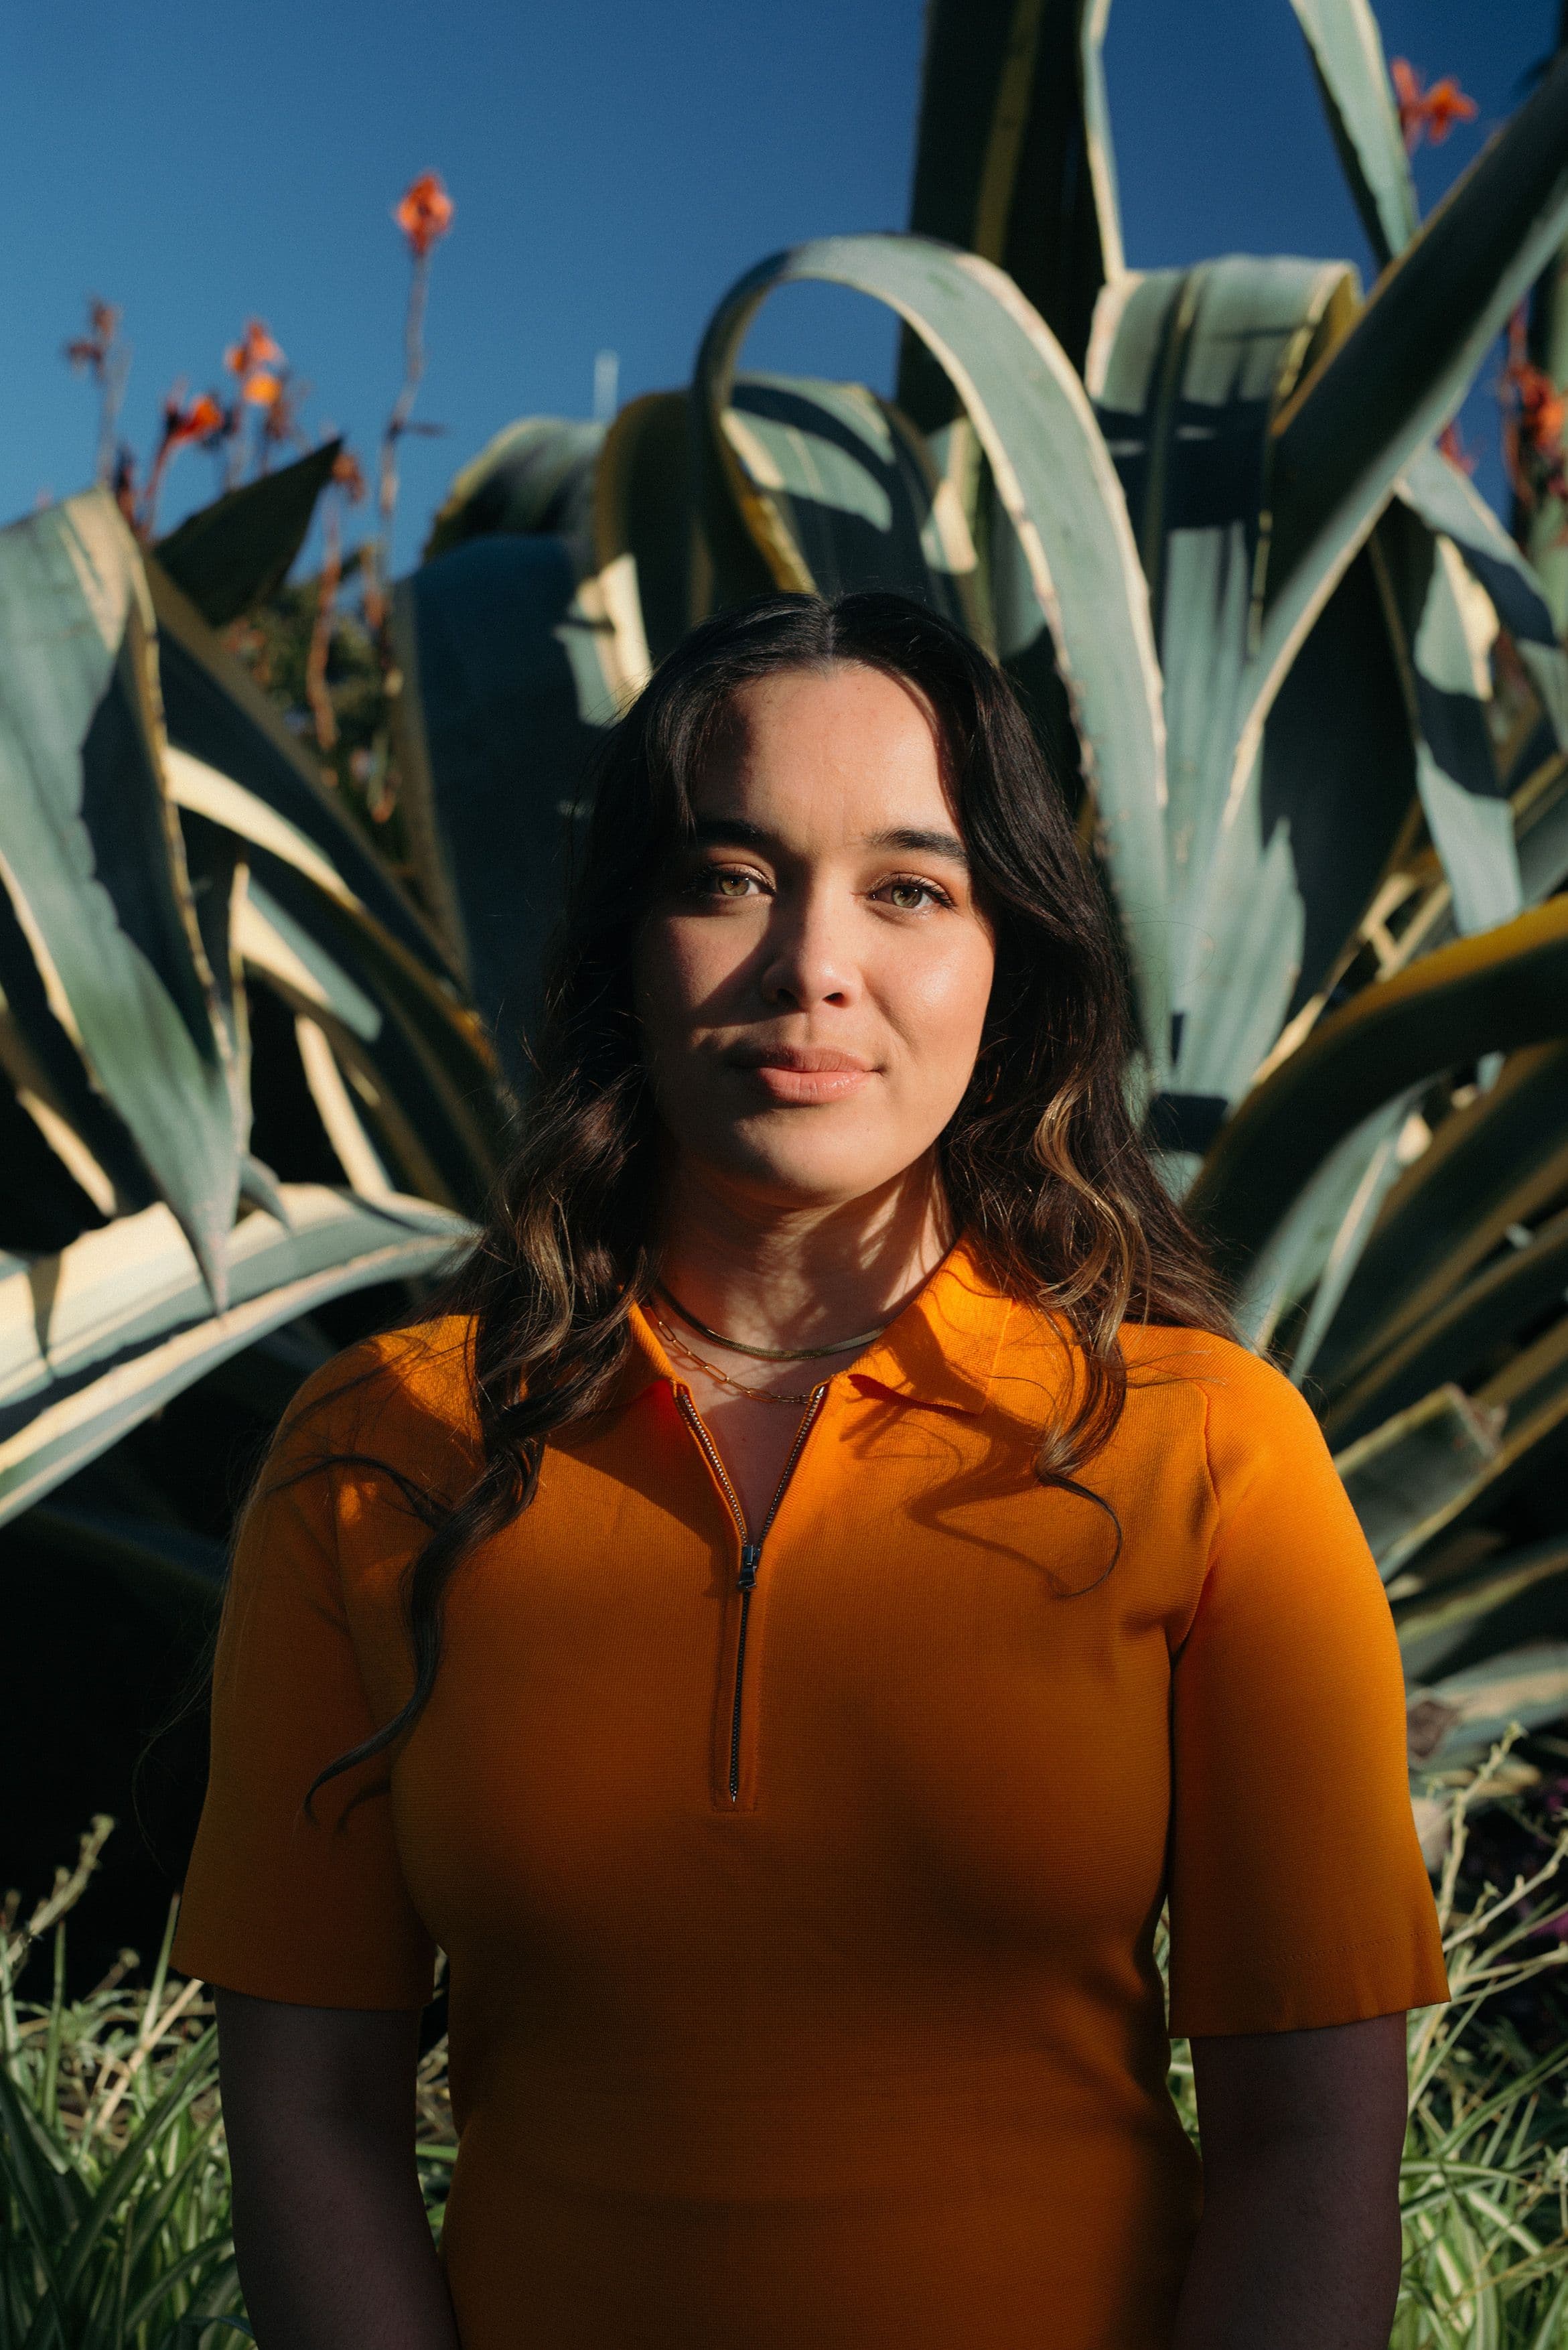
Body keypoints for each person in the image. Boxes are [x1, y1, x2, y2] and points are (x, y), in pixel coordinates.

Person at [175, 590, 1446, 2350]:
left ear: (1008, 959)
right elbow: (310, 2111)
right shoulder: (381, 1455)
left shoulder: (1210, 1451)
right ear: (631, 935)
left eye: (910, 887)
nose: (813, 968)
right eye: (730, 875)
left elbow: (1313, 2148)